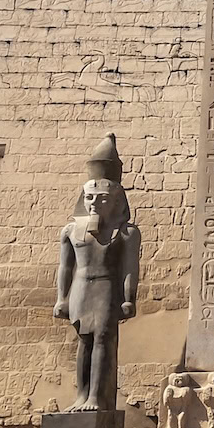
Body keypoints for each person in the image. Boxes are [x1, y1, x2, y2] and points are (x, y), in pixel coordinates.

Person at [52, 135, 139, 411]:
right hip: (81, 286)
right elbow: (66, 267)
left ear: (115, 201)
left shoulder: (125, 232)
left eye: (101, 199)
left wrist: (129, 297)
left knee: (102, 338)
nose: (93, 204)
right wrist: (61, 298)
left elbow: (129, 268)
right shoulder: (70, 230)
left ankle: (95, 398)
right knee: (84, 340)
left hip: (105, 286)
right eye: (89, 198)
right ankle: (82, 395)